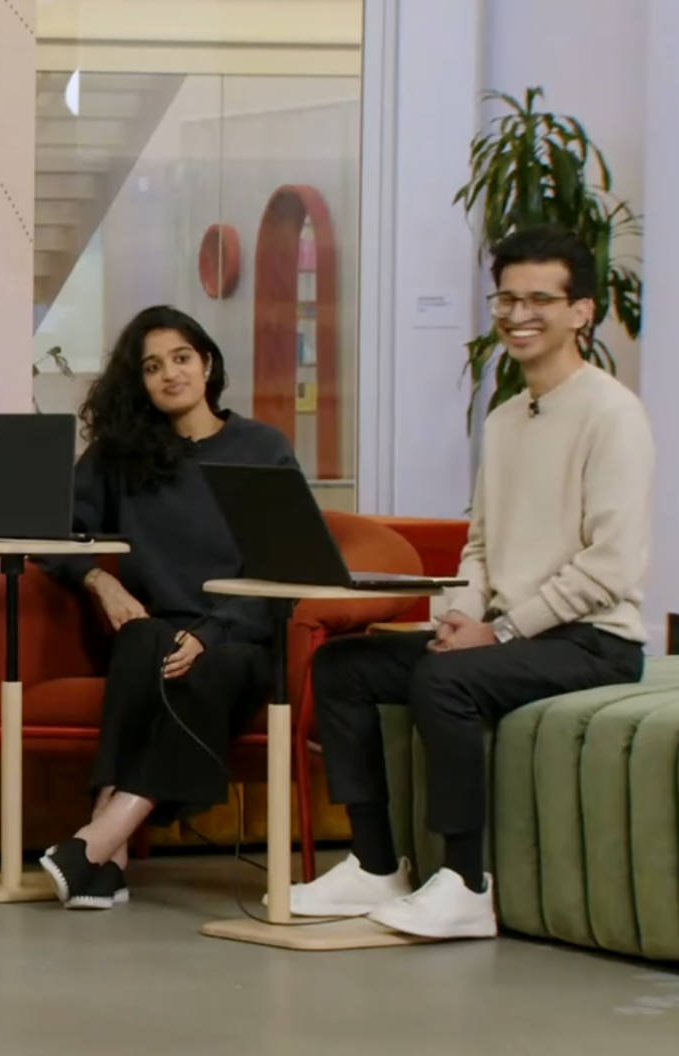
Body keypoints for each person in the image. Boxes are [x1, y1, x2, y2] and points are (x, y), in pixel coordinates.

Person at [291, 226, 652, 939]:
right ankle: (373, 864)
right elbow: (480, 545)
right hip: (509, 634)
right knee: (341, 667)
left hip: (591, 642)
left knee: (444, 680)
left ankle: (464, 883)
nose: (518, 315)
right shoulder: (507, 419)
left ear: (581, 311)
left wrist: (501, 631)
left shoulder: (612, 414)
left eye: (539, 300)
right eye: (506, 300)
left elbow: (609, 565)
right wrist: (457, 617)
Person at [35, 305, 297, 910]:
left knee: (204, 669)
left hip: (244, 635)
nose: (170, 374)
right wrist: (100, 582)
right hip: (163, 630)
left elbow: (285, 567)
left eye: (181, 358)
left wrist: (212, 632)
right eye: (153, 367)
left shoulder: (261, 447)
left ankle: (95, 842)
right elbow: (53, 531)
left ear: (206, 363)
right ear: (141, 382)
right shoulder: (120, 456)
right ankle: (106, 859)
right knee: (140, 640)